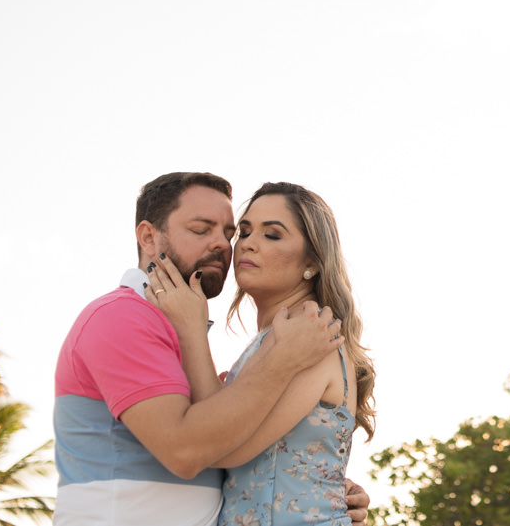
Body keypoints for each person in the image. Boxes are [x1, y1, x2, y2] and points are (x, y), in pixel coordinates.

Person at [53, 172, 370, 526]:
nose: (228, 245)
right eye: (202, 230)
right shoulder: (122, 317)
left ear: (312, 260)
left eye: (229, 233)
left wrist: (324, 488)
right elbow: (195, 448)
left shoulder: (309, 335)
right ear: (148, 236)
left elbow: (227, 442)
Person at [147, 182, 375, 526]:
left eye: (272, 235)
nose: (247, 244)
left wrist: (191, 329)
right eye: (245, 231)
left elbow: (220, 447)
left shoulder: (310, 334)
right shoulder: (270, 342)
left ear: (311, 260)